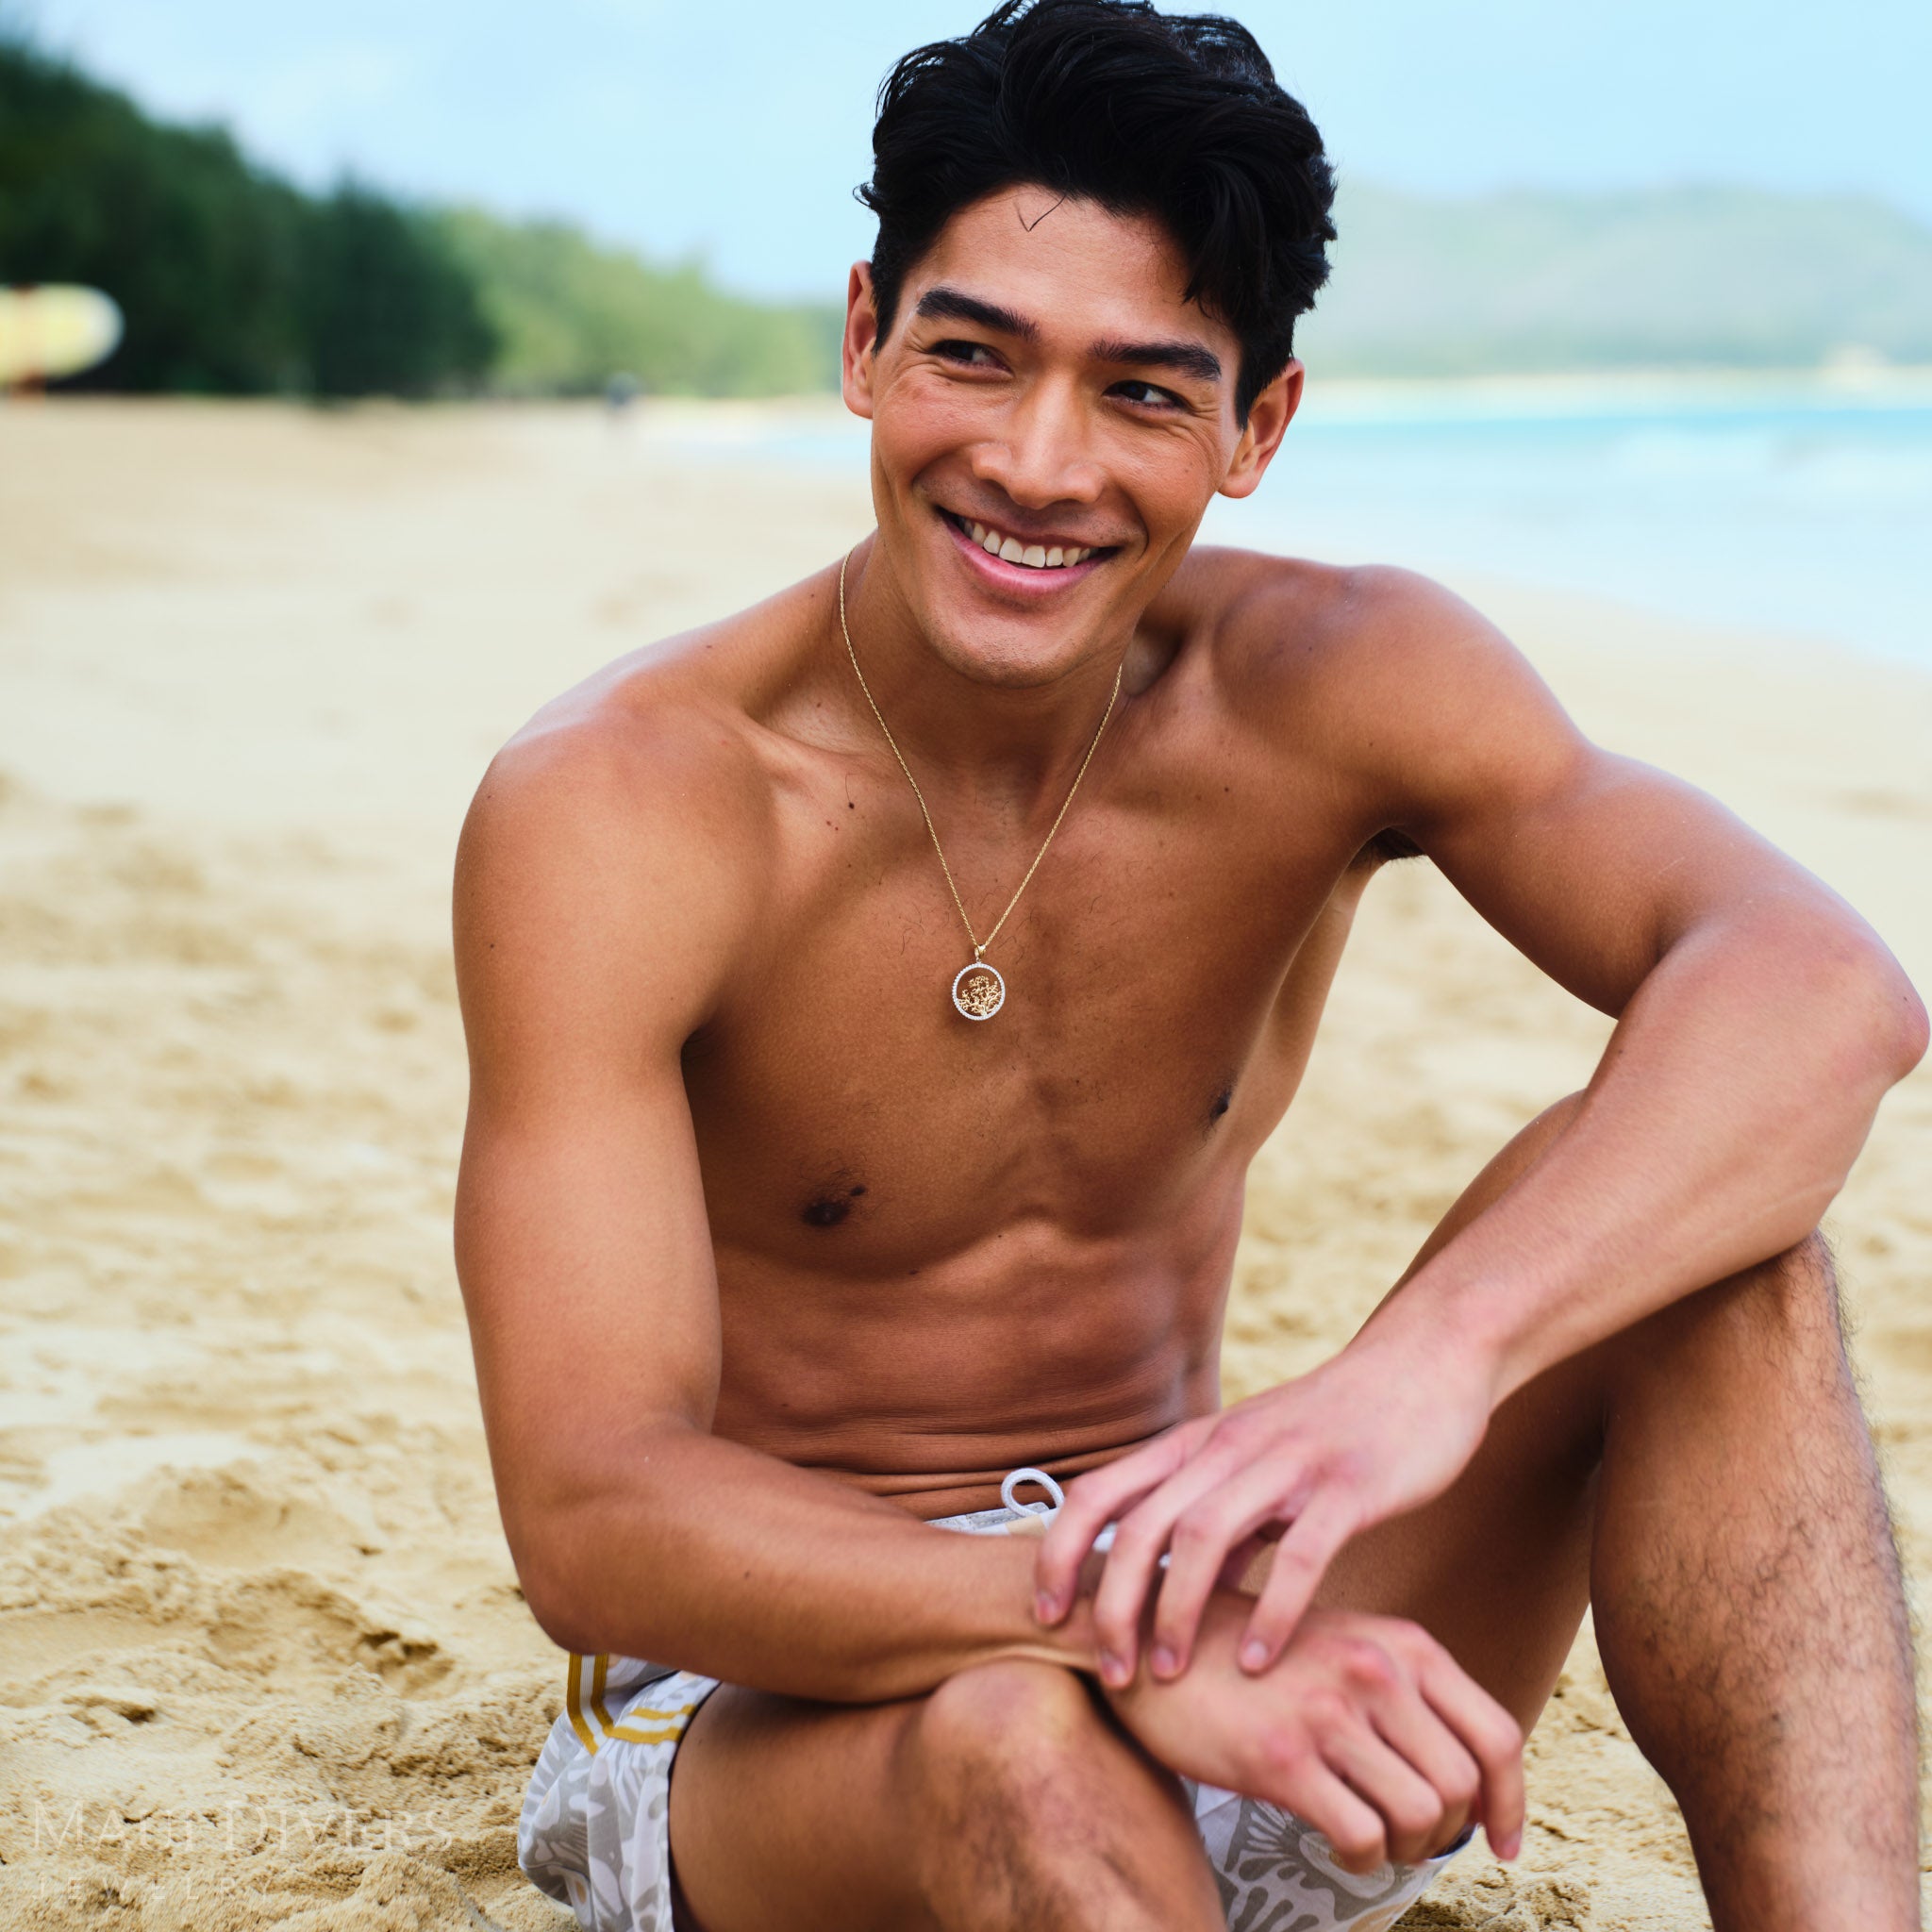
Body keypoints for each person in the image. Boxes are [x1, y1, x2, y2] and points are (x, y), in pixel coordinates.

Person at [452, 4, 1928, 1927]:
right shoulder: (629, 807)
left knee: (1719, 1263)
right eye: (971, 356)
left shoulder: (1336, 687)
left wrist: (1425, 1369)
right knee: (1014, 1740)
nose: (1036, 463)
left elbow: (1821, 987)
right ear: (861, 344)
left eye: (1144, 394)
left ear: (1257, 430)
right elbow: (594, 1516)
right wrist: (1114, 1639)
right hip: (790, 1706)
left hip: (1237, 1620)